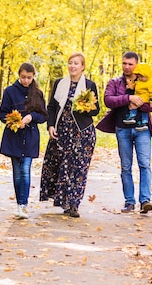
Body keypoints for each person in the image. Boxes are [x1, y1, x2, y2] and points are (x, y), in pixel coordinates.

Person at [96, 52, 152, 214]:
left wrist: (141, 105)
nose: (127, 67)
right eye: (124, 63)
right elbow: (108, 100)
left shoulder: (147, 80)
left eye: (130, 64)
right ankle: (129, 202)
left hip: (143, 130)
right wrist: (128, 98)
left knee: (144, 164)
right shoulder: (115, 82)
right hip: (122, 129)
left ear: (137, 65)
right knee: (126, 166)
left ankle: (145, 200)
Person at [40, 52, 100, 218]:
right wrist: (50, 125)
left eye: (76, 63)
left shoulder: (89, 85)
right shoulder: (59, 83)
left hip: (82, 133)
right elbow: (51, 106)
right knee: (62, 166)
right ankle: (64, 201)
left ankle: (74, 203)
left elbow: (96, 110)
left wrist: (86, 106)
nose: (72, 66)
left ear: (82, 67)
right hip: (62, 131)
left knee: (78, 168)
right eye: (70, 63)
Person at [0, 62, 48, 220]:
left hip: (30, 136)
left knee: (26, 170)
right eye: (23, 77)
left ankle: (23, 205)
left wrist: (31, 117)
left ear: (33, 76)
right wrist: (13, 120)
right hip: (14, 136)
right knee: (17, 173)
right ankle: (19, 204)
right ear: (19, 75)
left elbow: (43, 116)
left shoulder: (37, 93)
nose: (26, 80)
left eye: (29, 77)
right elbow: (2, 113)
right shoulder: (10, 91)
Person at [123, 62, 152, 131]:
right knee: (137, 107)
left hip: (145, 97)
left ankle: (140, 121)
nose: (140, 78)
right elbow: (136, 86)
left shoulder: (151, 82)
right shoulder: (139, 80)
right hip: (138, 95)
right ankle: (136, 119)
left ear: (147, 75)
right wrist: (130, 86)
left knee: (140, 109)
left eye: (142, 76)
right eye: (138, 76)